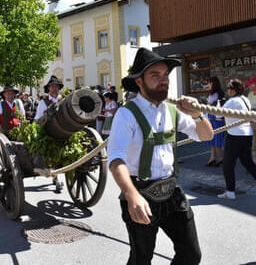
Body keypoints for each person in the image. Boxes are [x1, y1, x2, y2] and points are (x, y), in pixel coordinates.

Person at [108, 47, 213, 265]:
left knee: (191, 255)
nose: (163, 80)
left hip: (172, 193)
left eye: (165, 75)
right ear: (139, 81)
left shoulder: (173, 111)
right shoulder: (126, 115)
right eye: (155, 75)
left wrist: (197, 114)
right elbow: (116, 160)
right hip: (141, 193)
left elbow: (206, 136)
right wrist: (131, 195)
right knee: (141, 259)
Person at [217, 79, 256, 200]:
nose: (227, 90)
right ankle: (230, 191)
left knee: (228, 165)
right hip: (247, 134)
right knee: (247, 162)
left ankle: (230, 192)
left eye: (229, 88)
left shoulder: (232, 101)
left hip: (234, 135)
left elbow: (218, 115)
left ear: (234, 90)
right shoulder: (245, 99)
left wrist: (218, 104)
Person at [34, 75, 65, 192]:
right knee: (52, 155)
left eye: (56, 86)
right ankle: (56, 179)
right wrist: (45, 117)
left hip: (63, 130)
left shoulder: (63, 99)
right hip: (48, 132)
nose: (54, 88)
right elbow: (37, 119)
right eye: (52, 86)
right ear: (49, 88)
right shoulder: (43, 102)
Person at [203, 77, 225, 167]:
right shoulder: (218, 93)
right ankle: (212, 158)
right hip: (216, 119)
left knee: (215, 140)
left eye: (209, 83)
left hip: (215, 119)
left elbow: (208, 105)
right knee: (214, 140)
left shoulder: (214, 94)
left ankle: (219, 158)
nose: (208, 85)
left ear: (213, 84)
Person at [246, 76, 256, 163]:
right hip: (252, 121)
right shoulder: (250, 94)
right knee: (252, 142)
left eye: (251, 84)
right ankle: (253, 161)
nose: (249, 86)